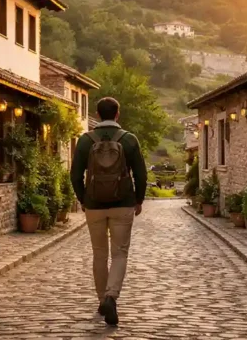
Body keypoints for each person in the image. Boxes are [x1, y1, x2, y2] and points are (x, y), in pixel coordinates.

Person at [71, 97, 147, 326]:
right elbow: (141, 174)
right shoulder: (129, 140)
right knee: (120, 253)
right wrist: (139, 199)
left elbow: (75, 175)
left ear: (97, 113)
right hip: (123, 203)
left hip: (93, 205)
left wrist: (83, 199)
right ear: (117, 115)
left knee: (99, 254)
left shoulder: (85, 141)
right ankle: (111, 296)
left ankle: (102, 299)